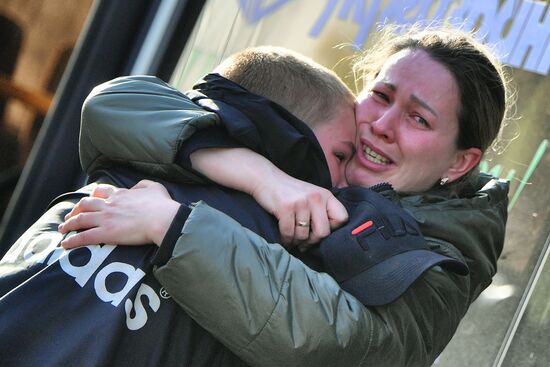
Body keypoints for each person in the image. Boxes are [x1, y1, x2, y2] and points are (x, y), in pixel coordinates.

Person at [60, 26, 510, 366]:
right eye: (381, 95)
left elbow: (343, 340)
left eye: (419, 119)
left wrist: (173, 225)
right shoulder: (310, 153)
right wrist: (262, 177)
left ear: (459, 163)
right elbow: (114, 104)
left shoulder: (444, 260)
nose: (383, 124)